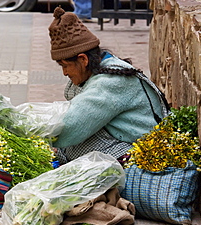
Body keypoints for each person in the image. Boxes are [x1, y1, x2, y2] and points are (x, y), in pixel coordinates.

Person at [48, 7, 170, 165]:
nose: (65, 73)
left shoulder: (110, 82)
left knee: (78, 149)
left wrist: (35, 137)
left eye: (65, 66)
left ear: (83, 60)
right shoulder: (101, 67)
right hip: (129, 140)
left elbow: (72, 126)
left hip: (143, 150)